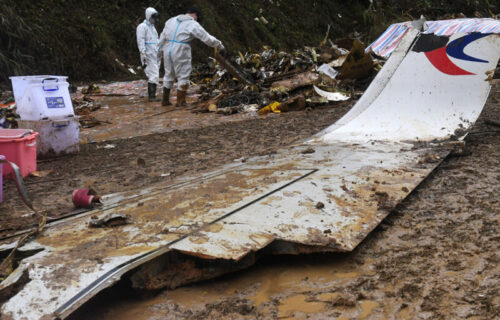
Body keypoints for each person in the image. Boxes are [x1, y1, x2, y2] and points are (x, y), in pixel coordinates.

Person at [158, 7, 224, 107]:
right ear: (195, 15)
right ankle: (181, 102)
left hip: (167, 48)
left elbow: (162, 37)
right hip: (181, 49)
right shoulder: (192, 24)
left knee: (168, 74)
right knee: (183, 75)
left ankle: (165, 100)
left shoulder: (171, 20)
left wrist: (159, 51)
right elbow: (206, 38)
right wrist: (219, 45)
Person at [136, 7, 161, 101]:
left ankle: (152, 95)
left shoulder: (152, 28)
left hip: (154, 54)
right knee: (153, 75)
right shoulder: (142, 27)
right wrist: (143, 53)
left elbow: (156, 40)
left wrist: (159, 51)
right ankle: (152, 97)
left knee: (154, 74)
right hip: (148, 54)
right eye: (153, 17)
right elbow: (140, 41)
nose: (155, 20)